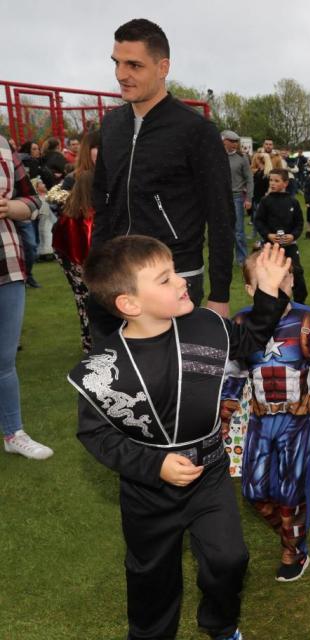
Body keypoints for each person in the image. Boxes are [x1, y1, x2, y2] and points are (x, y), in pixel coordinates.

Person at [69, 237, 291, 640]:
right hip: (147, 492)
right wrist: (156, 465)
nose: (182, 281)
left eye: (176, 270)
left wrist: (268, 290)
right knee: (150, 575)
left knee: (229, 559)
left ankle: (221, 625)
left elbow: (249, 340)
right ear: (130, 304)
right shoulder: (104, 368)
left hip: (210, 474)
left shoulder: (205, 326)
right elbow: (95, 434)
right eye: (165, 278)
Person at [91, 18, 235, 342]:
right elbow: (103, 203)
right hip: (115, 280)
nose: (121, 75)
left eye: (134, 65)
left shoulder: (196, 131)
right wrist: (96, 271)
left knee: (171, 387)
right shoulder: (112, 125)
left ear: (162, 67)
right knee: (109, 385)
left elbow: (221, 215)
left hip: (175, 278)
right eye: (117, 63)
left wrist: (220, 294)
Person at [220, 249, 310, 582]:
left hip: (298, 421)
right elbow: (233, 371)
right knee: (254, 491)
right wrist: (225, 411)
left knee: (291, 492)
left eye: (287, 275)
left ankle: (294, 551)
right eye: (271, 277)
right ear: (251, 288)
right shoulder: (241, 323)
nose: (282, 282)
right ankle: (288, 533)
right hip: (261, 421)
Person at [0, 137, 54, 460]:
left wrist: (12, 208)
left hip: (7, 264)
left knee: (5, 362)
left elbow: (33, 201)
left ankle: (13, 432)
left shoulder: (4, 146)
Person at [53, 129, 101, 353]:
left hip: (82, 248)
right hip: (74, 249)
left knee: (91, 297)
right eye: (97, 147)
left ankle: (92, 342)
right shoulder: (77, 179)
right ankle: (92, 342)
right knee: (87, 296)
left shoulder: (109, 174)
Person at [254, 169, 307, 303]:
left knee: (297, 272)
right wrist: (268, 235)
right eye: (271, 180)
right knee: (271, 275)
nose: (272, 183)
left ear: (285, 183)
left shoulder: (293, 202)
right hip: (271, 247)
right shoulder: (265, 201)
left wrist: (293, 236)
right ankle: (272, 302)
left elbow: (299, 223)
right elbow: (258, 221)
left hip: (290, 246)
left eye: (276, 181)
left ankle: (300, 303)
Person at [223, 130, 254, 266]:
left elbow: (249, 180)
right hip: (220, 198)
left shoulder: (243, 158)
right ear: (223, 141)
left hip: (236, 197)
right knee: (222, 230)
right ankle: (224, 259)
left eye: (236, 142)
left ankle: (242, 260)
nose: (234, 144)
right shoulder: (216, 156)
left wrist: (249, 198)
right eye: (231, 141)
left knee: (239, 231)